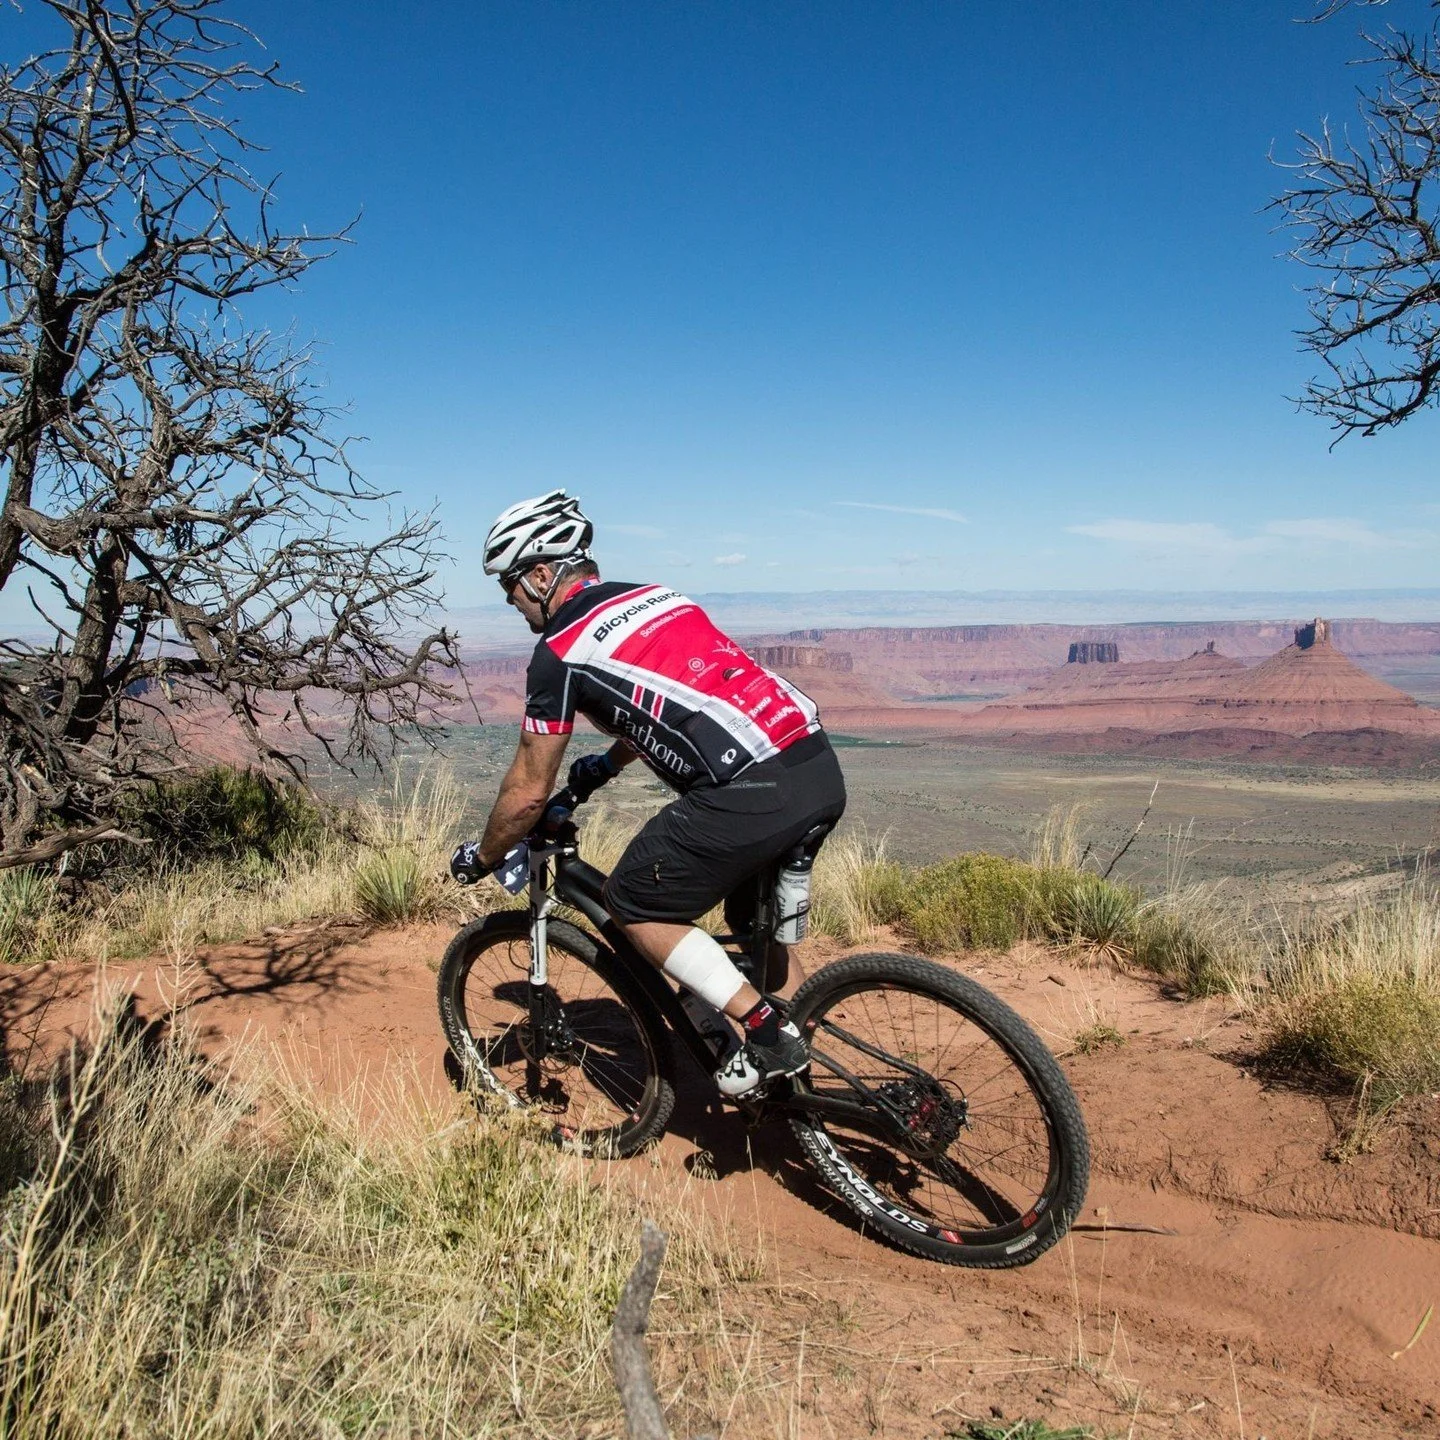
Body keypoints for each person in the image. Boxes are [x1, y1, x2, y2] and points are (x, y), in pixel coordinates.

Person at [452, 490, 847, 1097]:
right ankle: (799, 1072)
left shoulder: (560, 652)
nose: (511, 601)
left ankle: (767, 1034)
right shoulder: (659, 598)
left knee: (635, 901)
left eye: (510, 586)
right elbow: (673, 706)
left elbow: (529, 791)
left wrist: (482, 856)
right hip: (814, 766)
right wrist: (602, 767)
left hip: (748, 790)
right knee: (750, 922)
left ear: (539, 573)